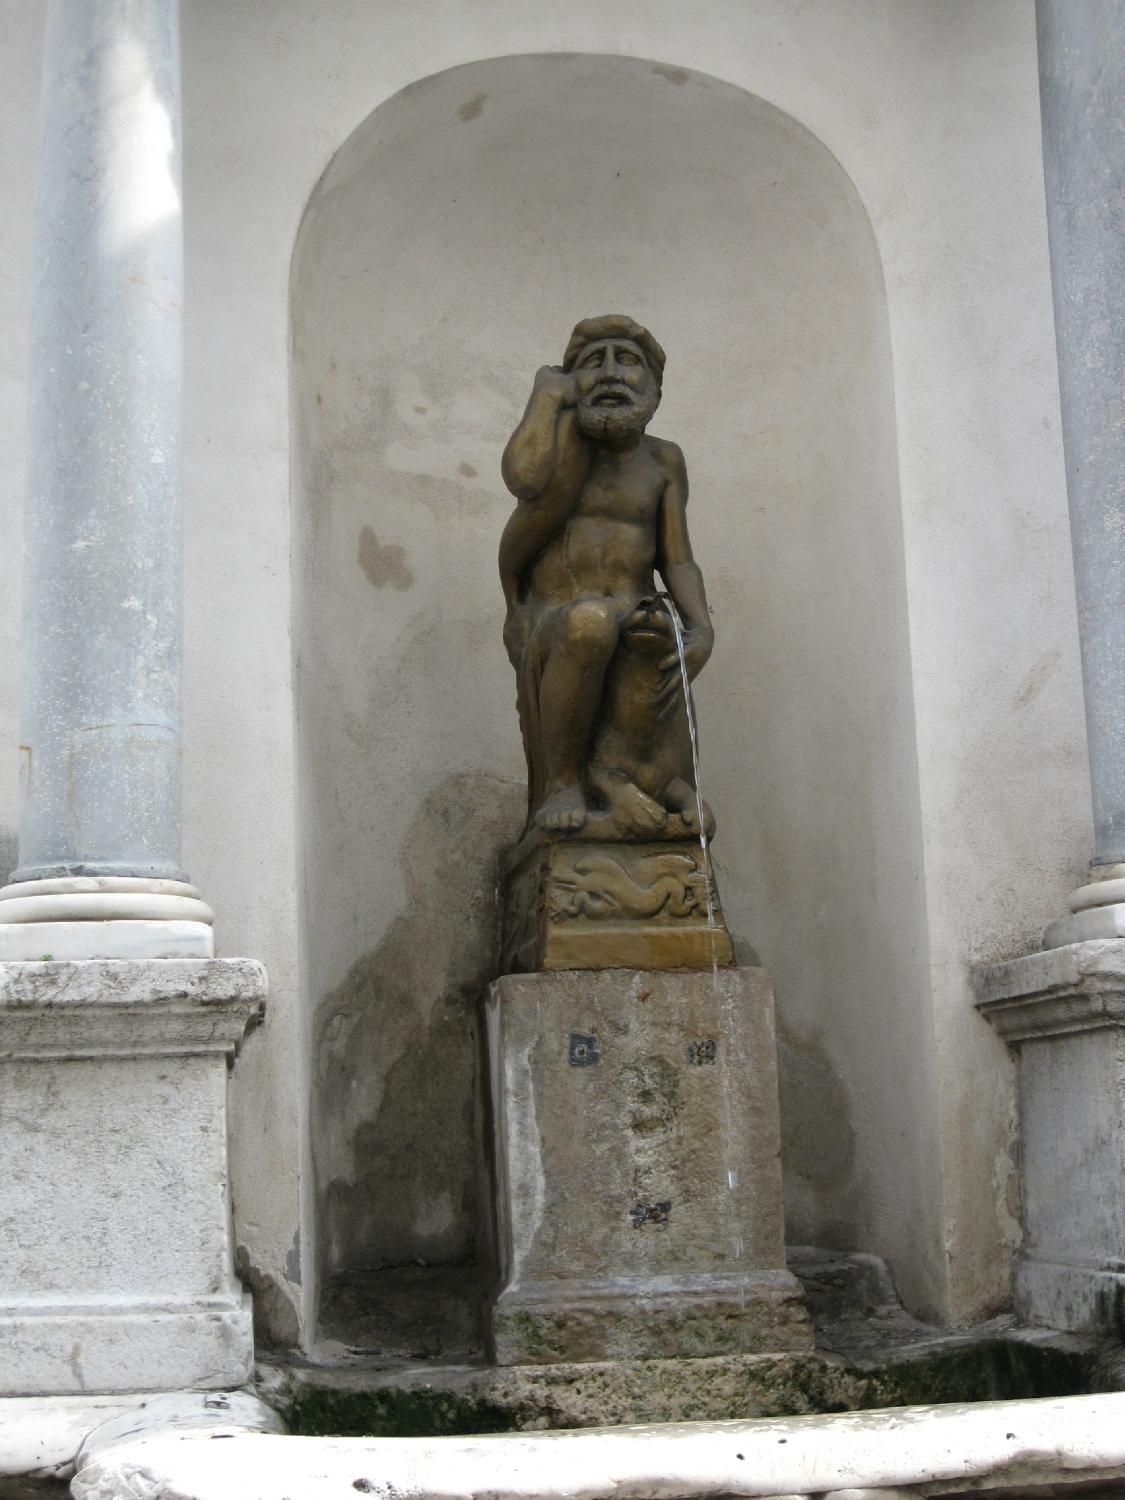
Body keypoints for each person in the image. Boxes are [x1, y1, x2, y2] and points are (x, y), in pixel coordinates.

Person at [499, 314, 715, 836]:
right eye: (594, 362)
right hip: (562, 626)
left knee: (651, 636)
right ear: (571, 381)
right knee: (590, 624)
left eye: (629, 361)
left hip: (635, 616)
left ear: (654, 387)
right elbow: (521, 478)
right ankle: (564, 784)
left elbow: (677, 557)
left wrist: (701, 626)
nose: (612, 373)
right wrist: (545, 400)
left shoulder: (664, 460)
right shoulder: (561, 448)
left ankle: (662, 786)